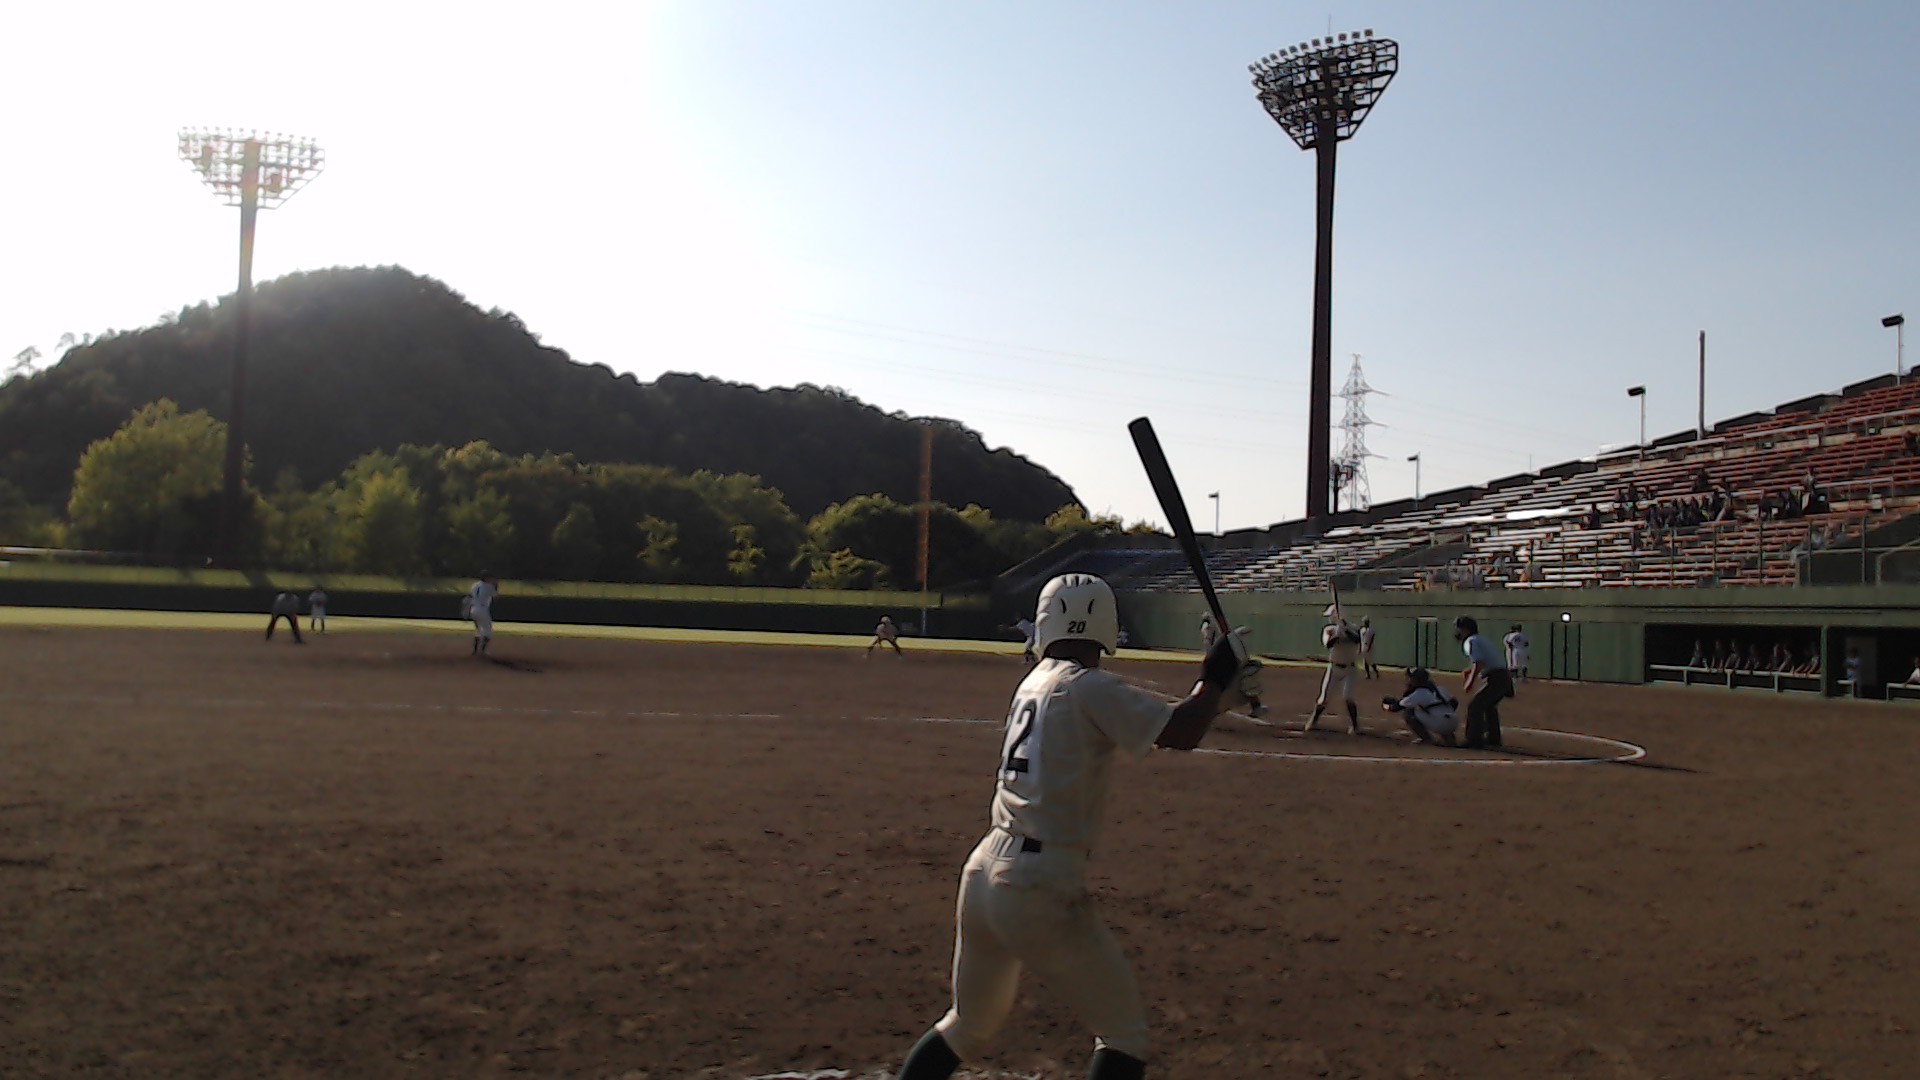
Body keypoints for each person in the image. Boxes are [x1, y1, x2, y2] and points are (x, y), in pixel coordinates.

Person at [892, 573, 1261, 1080]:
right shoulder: (1086, 686)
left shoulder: (1036, 681)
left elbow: (1174, 720)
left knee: (967, 1026)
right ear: (1106, 627)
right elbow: (1179, 731)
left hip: (984, 872)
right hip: (1039, 883)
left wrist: (1218, 697)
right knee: (1123, 1035)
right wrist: (1215, 677)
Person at [1304, 605, 1363, 735]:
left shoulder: (1354, 628)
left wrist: (1345, 629)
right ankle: (1313, 720)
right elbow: (1329, 644)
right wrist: (1338, 632)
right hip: (1333, 668)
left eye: (1331, 616)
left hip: (1350, 669)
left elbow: (1357, 640)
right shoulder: (1329, 630)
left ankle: (1355, 725)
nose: (1329, 619)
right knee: (1324, 698)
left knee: (1348, 697)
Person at [1455, 615, 1512, 750]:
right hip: (1502, 676)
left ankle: (1474, 740)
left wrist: (1470, 681)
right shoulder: (1480, 639)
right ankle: (1493, 739)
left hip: (1496, 677)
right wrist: (1470, 671)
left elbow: (1479, 663)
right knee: (1489, 706)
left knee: (1475, 706)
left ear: (1465, 629)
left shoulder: (1471, 641)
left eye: (1460, 629)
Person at [1381, 668, 1459, 747]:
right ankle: (1449, 738)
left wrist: (1385, 706)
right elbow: (1455, 702)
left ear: (1416, 680)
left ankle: (1427, 739)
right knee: (1439, 712)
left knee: (1408, 712)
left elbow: (1396, 707)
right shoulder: (1440, 689)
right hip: (1454, 722)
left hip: (1440, 725)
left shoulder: (1419, 693)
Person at [469, 572, 498, 657]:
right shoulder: (489, 586)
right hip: (482, 609)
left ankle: (475, 651)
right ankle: (483, 651)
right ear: (486, 578)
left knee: (478, 630)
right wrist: (495, 586)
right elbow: (496, 597)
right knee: (488, 631)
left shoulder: (475, 585)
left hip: (473, 608)